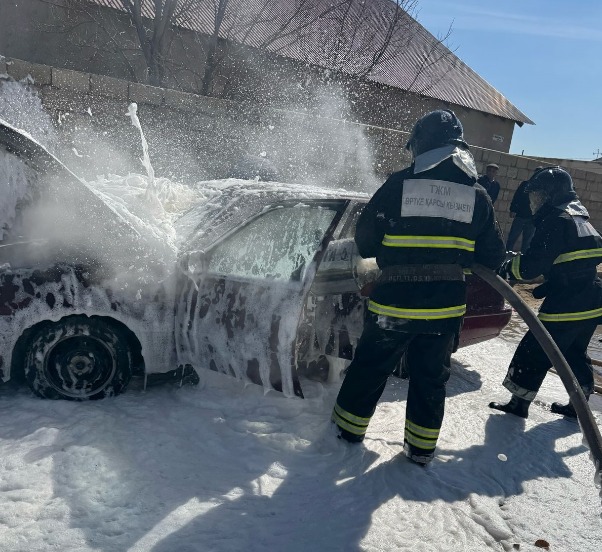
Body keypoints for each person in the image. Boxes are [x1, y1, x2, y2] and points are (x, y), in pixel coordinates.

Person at [331, 110, 506, 465]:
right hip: (444, 310)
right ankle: (421, 450)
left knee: (370, 368)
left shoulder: (399, 184)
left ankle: (347, 433)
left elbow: (365, 243)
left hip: (394, 304)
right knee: (430, 379)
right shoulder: (477, 196)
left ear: (421, 145)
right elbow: (493, 256)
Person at [490, 166, 602, 419]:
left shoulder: (556, 220)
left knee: (535, 348)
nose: (535, 202)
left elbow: (531, 265)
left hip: (568, 301)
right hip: (591, 297)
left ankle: (519, 403)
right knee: (573, 351)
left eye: (538, 196)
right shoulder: (578, 217)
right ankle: (580, 404)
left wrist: (507, 268)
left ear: (551, 195)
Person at [505, 167, 542, 251]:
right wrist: (513, 209)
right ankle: (505, 256)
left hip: (532, 220)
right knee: (512, 239)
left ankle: (523, 261)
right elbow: (517, 196)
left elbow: (542, 204)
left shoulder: (541, 189)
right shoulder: (525, 184)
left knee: (527, 243)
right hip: (520, 216)